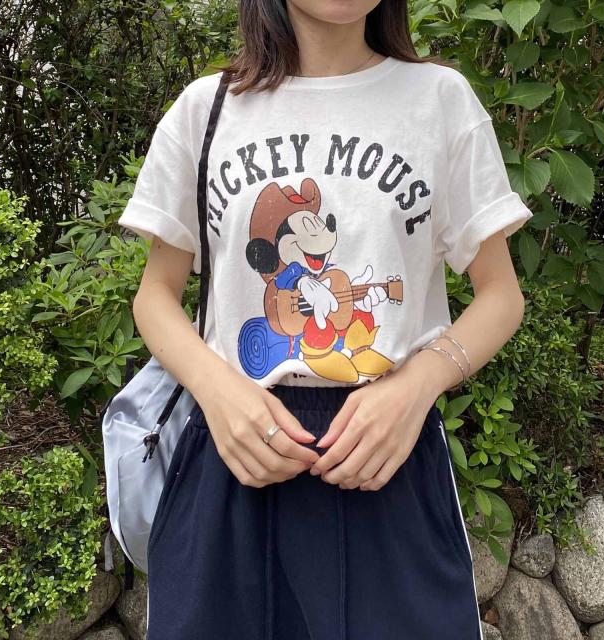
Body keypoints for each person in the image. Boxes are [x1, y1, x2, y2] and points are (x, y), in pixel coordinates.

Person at [117, 1, 533, 638]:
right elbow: (155, 295)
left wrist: (418, 386)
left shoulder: (439, 101)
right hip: (235, 451)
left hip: (387, 456)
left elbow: (501, 295)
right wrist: (218, 392)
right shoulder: (206, 109)